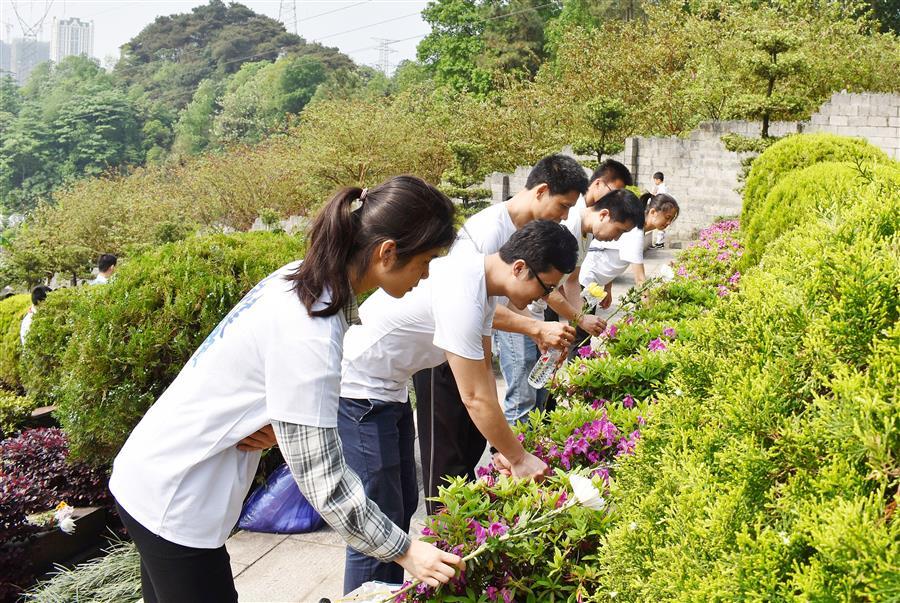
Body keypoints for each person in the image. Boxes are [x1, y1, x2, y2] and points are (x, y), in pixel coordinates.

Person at [109, 176, 464, 603]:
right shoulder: (310, 327)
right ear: (387, 252)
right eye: (425, 261)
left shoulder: (299, 280)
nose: (425, 276)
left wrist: (276, 423)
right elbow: (324, 480)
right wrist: (406, 551)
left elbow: (251, 383)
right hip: (176, 497)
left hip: (153, 474)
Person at [338, 220, 577, 592]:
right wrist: (518, 458)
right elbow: (474, 396)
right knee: (376, 522)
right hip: (358, 393)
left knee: (398, 514)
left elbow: (481, 371)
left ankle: (385, 596)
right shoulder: (464, 289)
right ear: (519, 267)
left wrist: (504, 447)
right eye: (545, 288)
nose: (541, 300)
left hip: (390, 390)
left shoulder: (484, 287)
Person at [412, 154, 585, 514]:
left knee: (472, 441)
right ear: (541, 191)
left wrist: (505, 448)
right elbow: (466, 311)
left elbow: (485, 322)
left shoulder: (505, 261)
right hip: (439, 355)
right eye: (563, 205)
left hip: (464, 347)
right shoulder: (490, 233)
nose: (565, 215)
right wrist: (518, 457)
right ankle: (445, 532)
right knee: (447, 461)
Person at [579, 192, 680, 304]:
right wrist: (650, 312)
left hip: (593, 284)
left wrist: (607, 288)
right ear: (653, 212)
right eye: (667, 217)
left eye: (671, 220)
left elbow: (611, 254)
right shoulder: (635, 232)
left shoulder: (636, 230)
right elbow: (640, 280)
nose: (669, 223)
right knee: (581, 319)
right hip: (584, 282)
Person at [651, 173, 668, 249]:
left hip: (661, 209)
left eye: (655, 180)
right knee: (660, 226)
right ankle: (659, 243)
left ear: (658, 180)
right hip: (661, 208)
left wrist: (653, 193)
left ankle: (659, 243)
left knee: (660, 225)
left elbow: (660, 199)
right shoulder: (661, 187)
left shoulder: (662, 188)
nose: (654, 181)